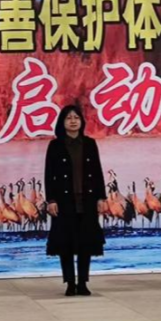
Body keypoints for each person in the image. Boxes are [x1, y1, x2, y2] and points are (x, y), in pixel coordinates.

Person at [44, 105, 106, 296]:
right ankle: (70, 283)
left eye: (76, 118)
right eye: (69, 118)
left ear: (81, 121)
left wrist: (101, 197)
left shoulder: (89, 144)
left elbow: (97, 172)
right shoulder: (55, 145)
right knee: (66, 243)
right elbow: (49, 175)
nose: (73, 121)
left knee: (85, 243)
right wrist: (51, 199)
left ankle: (83, 282)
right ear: (62, 122)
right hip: (64, 201)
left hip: (87, 200)